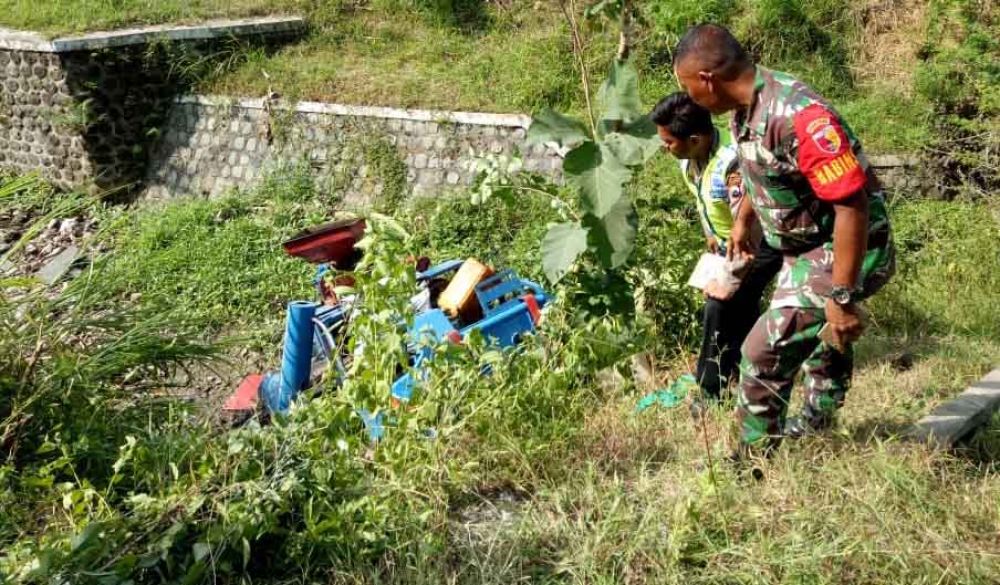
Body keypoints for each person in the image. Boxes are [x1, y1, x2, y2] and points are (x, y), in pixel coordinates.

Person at [671, 24, 896, 457]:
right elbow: (764, 174)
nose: (690, 99)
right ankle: (818, 420)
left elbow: (852, 206)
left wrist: (842, 295)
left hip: (845, 244)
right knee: (809, 336)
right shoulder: (743, 110)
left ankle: (753, 461)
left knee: (762, 351)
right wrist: (742, 221)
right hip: (803, 246)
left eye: (687, 87)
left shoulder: (799, 116)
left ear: (706, 79)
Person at [650, 92, 781, 411]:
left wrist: (731, 269)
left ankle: (709, 391)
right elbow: (704, 199)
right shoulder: (691, 159)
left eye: (668, 142)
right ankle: (749, 370)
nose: (664, 148)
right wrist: (711, 235)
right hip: (727, 244)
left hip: (758, 244)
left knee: (718, 308)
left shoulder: (731, 164)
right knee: (743, 307)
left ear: (694, 139)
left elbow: (750, 225)